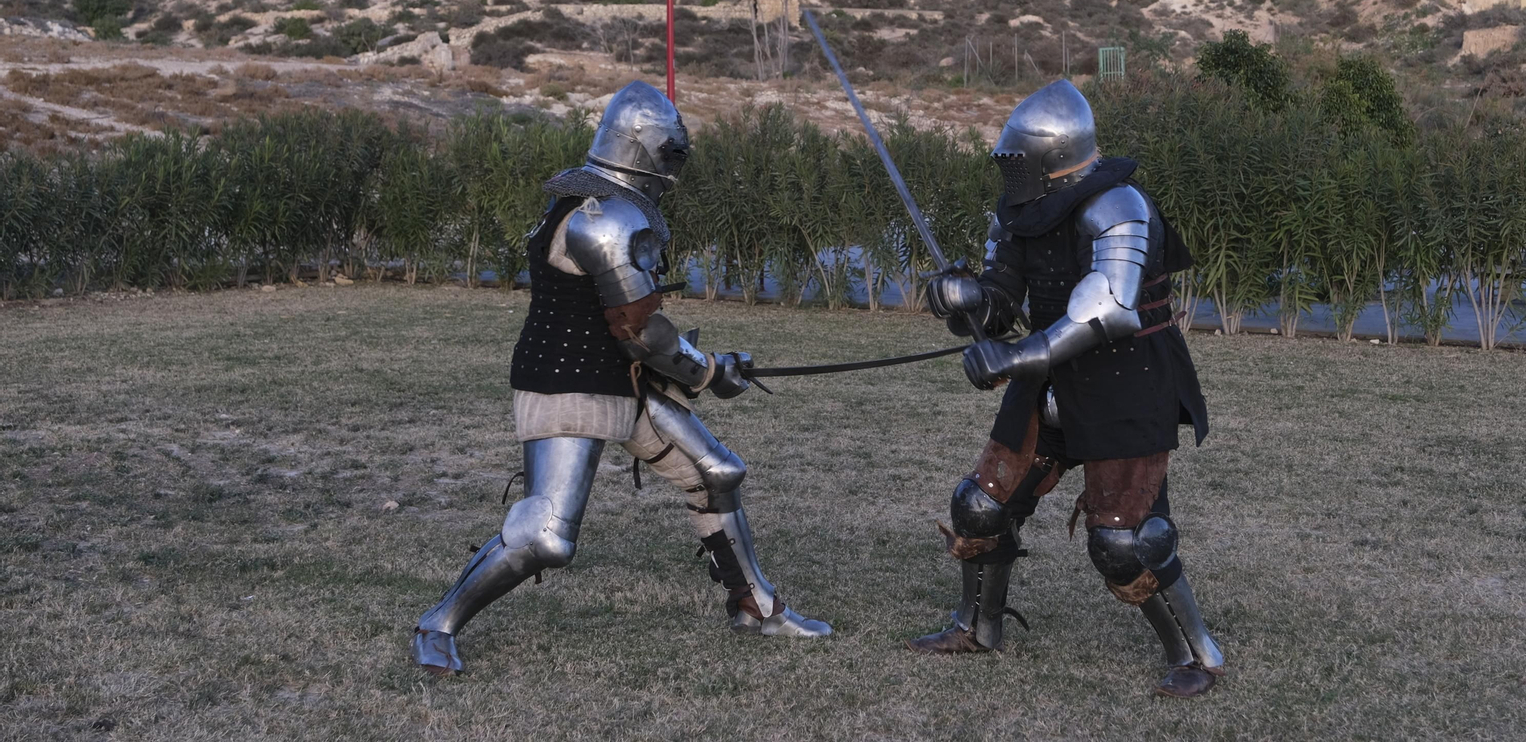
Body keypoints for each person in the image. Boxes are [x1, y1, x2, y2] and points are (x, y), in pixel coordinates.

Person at [412, 81, 830, 676]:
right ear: (646, 149)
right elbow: (642, 332)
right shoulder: (605, 217)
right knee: (546, 538)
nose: (674, 166)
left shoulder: (592, 200)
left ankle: (756, 607)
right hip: (566, 381)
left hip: (619, 379)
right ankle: (438, 624)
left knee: (717, 473)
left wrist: (708, 366)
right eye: (671, 152)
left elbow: (634, 331)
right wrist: (710, 371)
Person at [905, 79, 1224, 698]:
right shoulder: (1021, 211)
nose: (1010, 171)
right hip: (1048, 375)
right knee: (981, 505)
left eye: (1018, 159)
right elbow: (1000, 300)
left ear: (1052, 155)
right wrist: (963, 300)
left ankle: (1196, 654)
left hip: (1126, 378)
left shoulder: (1118, 206)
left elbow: (1107, 310)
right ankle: (977, 627)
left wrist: (1016, 355)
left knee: (1124, 541)